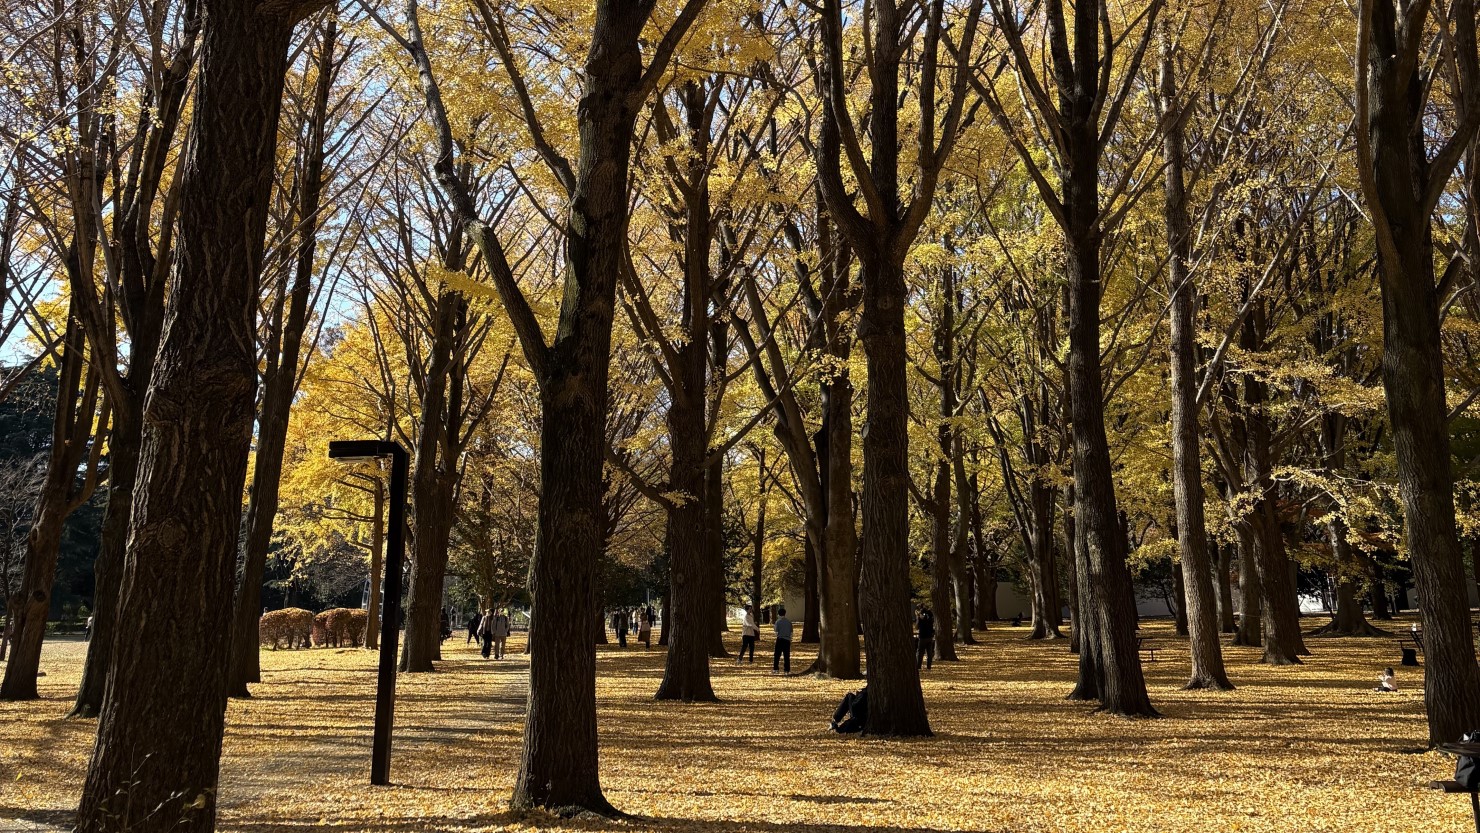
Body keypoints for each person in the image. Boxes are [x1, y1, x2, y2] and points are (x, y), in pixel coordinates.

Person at [773, 606, 793, 673]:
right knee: (786, 655)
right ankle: (787, 670)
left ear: (778, 614)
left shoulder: (778, 622)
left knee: (777, 655)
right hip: (787, 640)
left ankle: (776, 669)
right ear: (785, 613)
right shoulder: (789, 622)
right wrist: (790, 639)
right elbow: (791, 632)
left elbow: (776, 631)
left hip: (780, 639)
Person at [916, 605, 936, 671]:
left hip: (922, 637)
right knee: (929, 653)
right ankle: (929, 667)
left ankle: (918, 666)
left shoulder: (920, 619)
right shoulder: (930, 618)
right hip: (929, 637)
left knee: (920, 652)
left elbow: (917, 627)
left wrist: (918, 618)